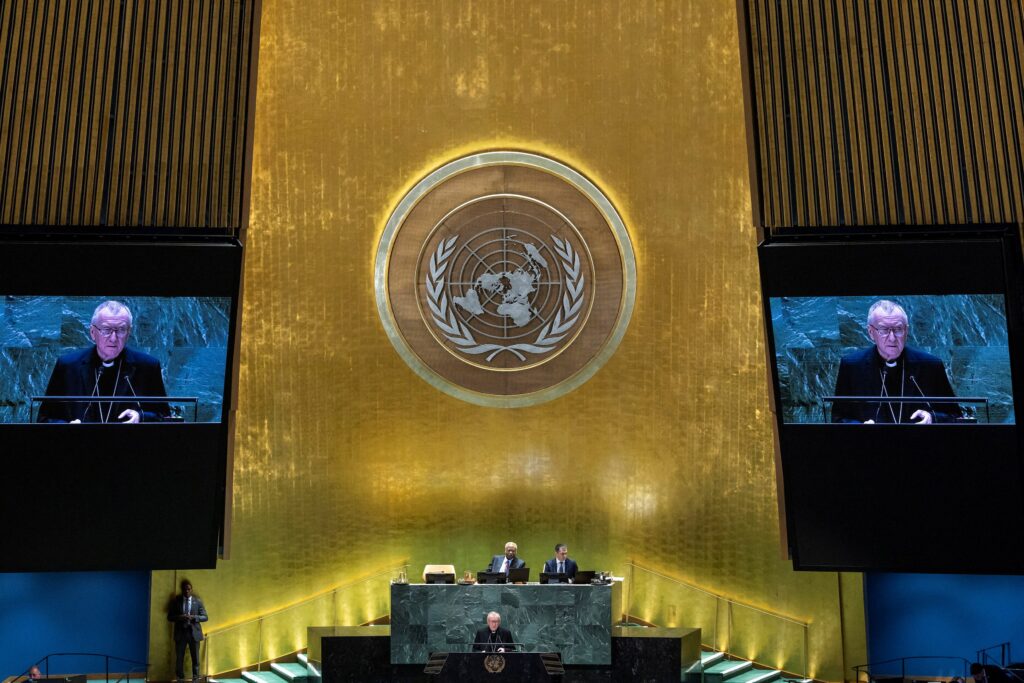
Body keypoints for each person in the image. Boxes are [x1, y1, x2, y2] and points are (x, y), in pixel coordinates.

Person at [37, 300, 170, 423]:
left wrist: (140, 416)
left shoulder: (148, 367)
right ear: (93, 332)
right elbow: (44, 418)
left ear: (129, 333)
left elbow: (165, 416)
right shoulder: (68, 366)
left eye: (121, 330)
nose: (113, 338)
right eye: (106, 330)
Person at [832, 299, 959, 424]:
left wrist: (932, 418)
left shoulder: (930, 366)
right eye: (884, 330)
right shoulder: (852, 366)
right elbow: (838, 418)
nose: (892, 338)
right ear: (871, 332)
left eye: (898, 329)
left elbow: (956, 416)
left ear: (906, 330)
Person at [167, 579, 208, 683]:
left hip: (194, 633)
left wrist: (194, 617)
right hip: (181, 634)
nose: (187, 591)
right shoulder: (177, 601)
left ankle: (195, 678)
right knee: (179, 657)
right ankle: (180, 678)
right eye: (185, 589)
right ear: (182, 590)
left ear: (191, 589)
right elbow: (170, 617)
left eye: (189, 589)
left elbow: (205, 617)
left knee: (196, 658)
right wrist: (180, 617)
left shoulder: (197, 601)